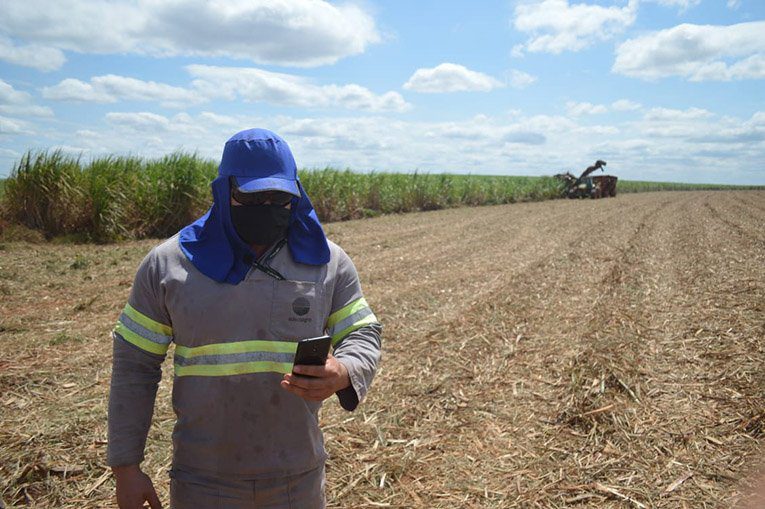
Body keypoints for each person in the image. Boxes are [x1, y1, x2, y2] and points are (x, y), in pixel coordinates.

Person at [107, 128, 382, 508]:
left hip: (296, 476)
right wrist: (126, 466)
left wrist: (345, 370)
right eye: (253, 196)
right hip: (202, 480)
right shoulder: (168, 265)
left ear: (296, 195)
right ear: (224, 192)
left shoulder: (327, 263)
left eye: (280, 198)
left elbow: (363, 331)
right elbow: (134, 366)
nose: (268, 206)